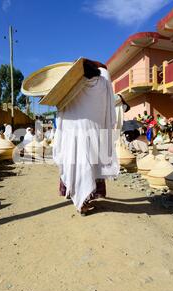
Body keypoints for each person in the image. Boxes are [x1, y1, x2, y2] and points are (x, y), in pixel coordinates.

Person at [53, 58, 119, 215]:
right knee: (88, 167)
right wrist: (87, 61)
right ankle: (82, 202)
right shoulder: (102, 83)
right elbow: (104, 67)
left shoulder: (73, 87)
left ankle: (78, 198)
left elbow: (58, 103)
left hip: (72, 135)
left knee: (75, 165)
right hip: (94, 134)